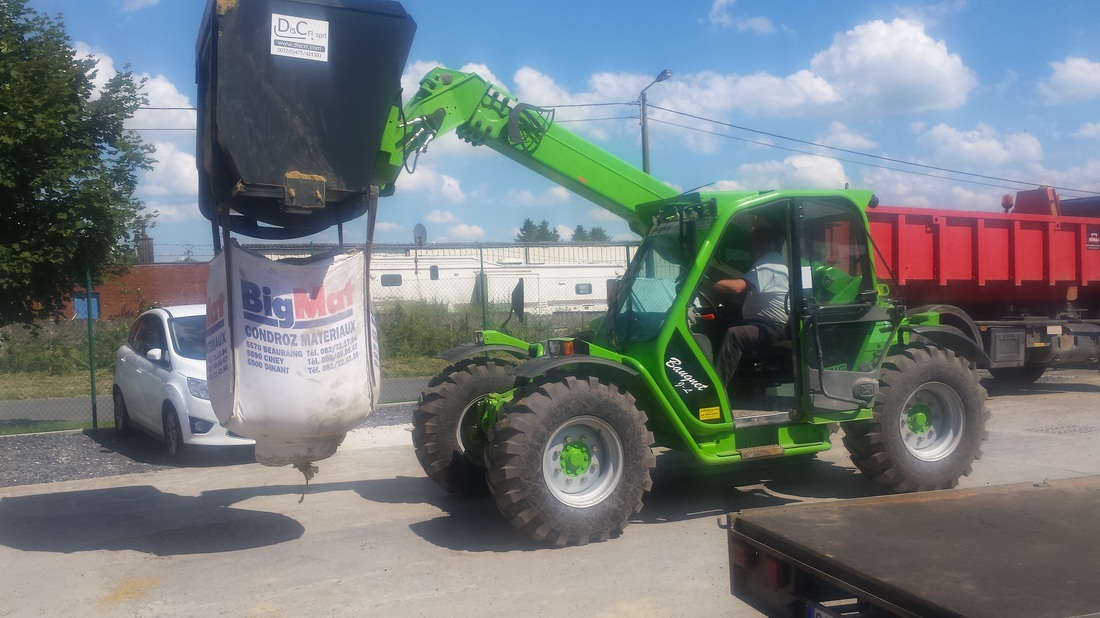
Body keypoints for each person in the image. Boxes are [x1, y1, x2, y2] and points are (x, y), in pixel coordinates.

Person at [709, 227, 790, 392]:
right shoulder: (772, 262)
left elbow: (738, 287)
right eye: (754, 243)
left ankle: (716, 391)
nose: (754, 247)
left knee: (735, 334)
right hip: (764, 322)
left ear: (771, 243)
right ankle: (731, 382)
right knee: (722, 320)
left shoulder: (770, 262)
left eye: (758, 243)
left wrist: (712, 283)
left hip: (773, 326)